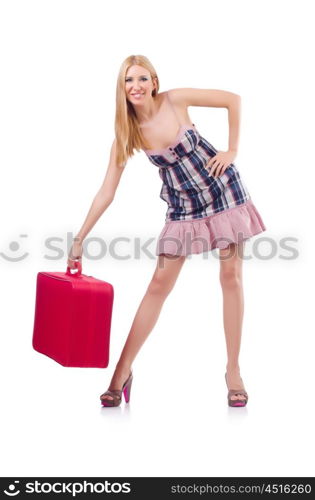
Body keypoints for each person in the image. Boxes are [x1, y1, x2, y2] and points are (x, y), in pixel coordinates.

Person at [67, 54, 266, 408]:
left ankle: (233, 371)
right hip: (184, 206)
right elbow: (106, 192)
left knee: (231, 277)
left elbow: (232, 100)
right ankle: (121, 372)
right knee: (158, 285)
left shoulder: (176, 100)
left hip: (223, 190)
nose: (136, 86)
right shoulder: (128, 134)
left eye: (143, 79)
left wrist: (232, 149)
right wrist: (80, 237)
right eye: (129, 81)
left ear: (154, 82)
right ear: (122, 88)